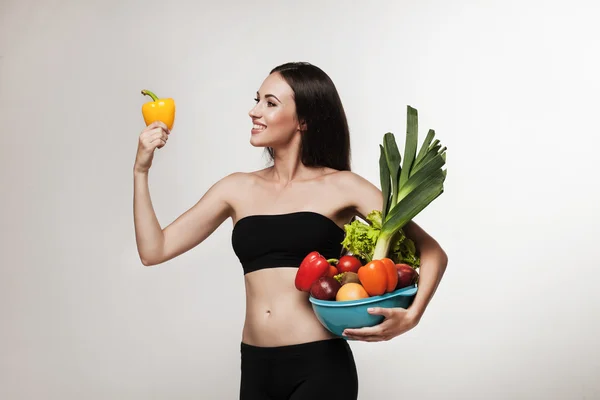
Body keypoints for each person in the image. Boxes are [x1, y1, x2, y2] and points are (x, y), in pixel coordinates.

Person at [133, 62, 448, 400]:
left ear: (303, 120)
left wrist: (411, 316)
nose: (254, 111)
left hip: (320, 366)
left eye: (270, 103)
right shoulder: (235, 189)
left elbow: (431, 251)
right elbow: (155, 250)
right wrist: (141, 169)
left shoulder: (342, 186)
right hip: (255, 365)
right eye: (257, 100)